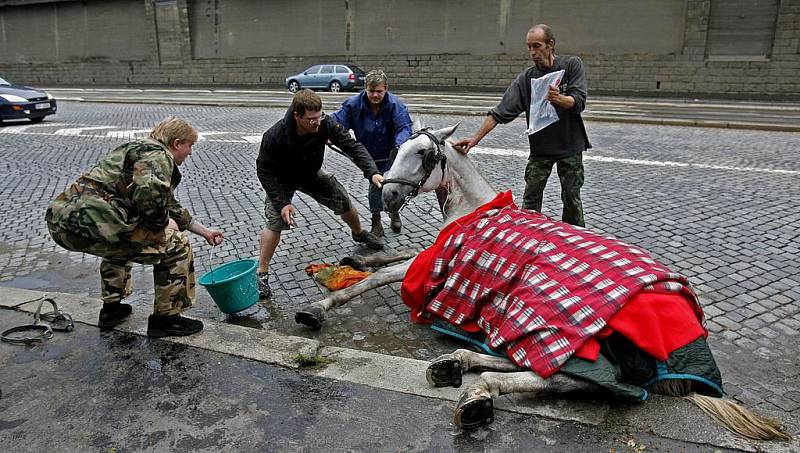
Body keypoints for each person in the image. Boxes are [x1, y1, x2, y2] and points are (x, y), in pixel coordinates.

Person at [45, 117, 224, 338]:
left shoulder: (136, 150)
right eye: (190, 146)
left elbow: (168, 203)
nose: (190, 153)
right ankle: (166, 320)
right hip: (92, 223)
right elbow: (150, 195)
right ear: (177, 143)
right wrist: (162, 223)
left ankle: (112, 310)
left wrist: (205, 231)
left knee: (122, 241)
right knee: (176, 245)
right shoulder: (159, 155)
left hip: (62, 222)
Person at [453, 24, 591, 227]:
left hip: (569, 146)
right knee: (531, 200)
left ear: (550, 45)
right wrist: (475, 138)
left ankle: (576, 239)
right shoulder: (527, 79)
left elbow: (579, 101)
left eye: (537, 46)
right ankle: (528, 236)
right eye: (529, 47)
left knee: (571, 199)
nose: (533, 52)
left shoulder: (570, 66)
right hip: (541, 148)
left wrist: (559, 98)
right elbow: (500, 111)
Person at [256, 89, 384, 298]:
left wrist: (372, 173)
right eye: (311, 120)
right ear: (297, 116)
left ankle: (359, 233)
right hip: (282, 180)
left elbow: (351, 146)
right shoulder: (274, 135)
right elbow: (264, 171)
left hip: (311, 173)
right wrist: (282, 204)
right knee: (274, 223)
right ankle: (262, 272)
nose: (317, 123)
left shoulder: (325, 123)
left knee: (343, 200)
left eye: (319, 117)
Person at [332, 69, 413, 236]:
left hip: (391, 154)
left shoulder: (396, 106)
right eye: (371, 91)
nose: (375, 95)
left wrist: (400, 146)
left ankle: (394, 212)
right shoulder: (352, 105)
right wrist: (329, 133)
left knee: (393, 185)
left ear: (386, 89)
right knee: (375, 186)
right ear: (365, 88)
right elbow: (337, 122)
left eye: (379, 91)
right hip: (368, 155)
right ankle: (376, 220)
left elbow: (404, 127)